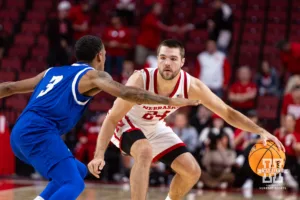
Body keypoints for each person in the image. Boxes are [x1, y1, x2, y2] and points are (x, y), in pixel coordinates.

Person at [0, 36, 198, 200]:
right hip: (39, 132)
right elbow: (129, 93)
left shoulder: (51, 72)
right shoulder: (95, 76)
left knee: (78, 171)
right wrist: (169, 101)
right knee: (73, 184)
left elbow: (10, 87)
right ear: (100, 56)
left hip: (19, 133)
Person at [88, 39, 285, 200]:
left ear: (182, 62)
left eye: (173, 59)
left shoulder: (191, 86)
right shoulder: (140, 80)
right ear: (157, 59)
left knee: (192, 171)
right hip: (125, 123)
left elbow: (227, 112)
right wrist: (99, 155)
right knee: (145, 151)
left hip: (154, 126)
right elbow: (112, 117)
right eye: (163, 57)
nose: (167, 63)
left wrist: (261, 131)